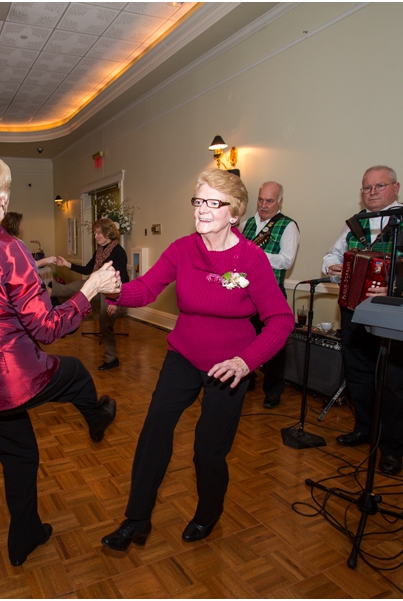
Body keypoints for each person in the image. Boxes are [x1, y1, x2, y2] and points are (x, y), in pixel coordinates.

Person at [0, 149, 119, 566]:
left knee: (20, 455)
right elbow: (47, 329)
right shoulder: (7, 247)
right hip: (13, 381)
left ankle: (25, 536)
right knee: (77, 372)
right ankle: (97, 417)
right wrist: (89, 292)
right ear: (0, 198)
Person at [101, 168, 293, 551]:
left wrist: (245, 362)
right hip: (183, 356)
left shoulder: (251, 260)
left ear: (235, 212)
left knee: (208, 450)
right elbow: (146, 288)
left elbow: (281, 320)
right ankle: (136, 519)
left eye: (213, 203)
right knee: (154, 432)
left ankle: (208, 512)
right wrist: (114, 289)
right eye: (198, 201)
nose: (202, 210)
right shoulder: (182, 250)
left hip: (228, 368)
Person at [322, 165, 403, 475]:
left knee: (396, 382)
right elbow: (332, 256)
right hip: (355, 311)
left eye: (379, 186)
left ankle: (392, 448)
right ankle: (365, 429)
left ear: (396, 187)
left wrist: (402, 285)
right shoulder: (355, 223)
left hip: (400, 312)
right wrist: (334, 269)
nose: (371, 193)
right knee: (359, 374)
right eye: (366, 188)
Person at [241, 181, 300, 409]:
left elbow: (286, 260)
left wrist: (257, 255)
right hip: (245, 294)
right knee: (244, 338)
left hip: (270, 293)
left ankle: (273, 389)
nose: (264, 205)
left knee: (274, 344)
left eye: (270, 201)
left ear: (280, 202)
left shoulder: (288, 226)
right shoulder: (246, 223)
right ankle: (248, 378)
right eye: (261, 199)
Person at [55, 218, 129, 370]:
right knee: (70, 288)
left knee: (105, 324)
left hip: (111, 293)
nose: (95, 237)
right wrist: (66, 264)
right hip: (96, 285)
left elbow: (123, 280)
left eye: (98, 233)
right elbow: (88, 269)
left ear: (108, 233)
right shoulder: (100, 251)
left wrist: (116, 303)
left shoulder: (119, 252)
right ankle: (44, 290)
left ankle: (111, 359)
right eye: (95, 233)